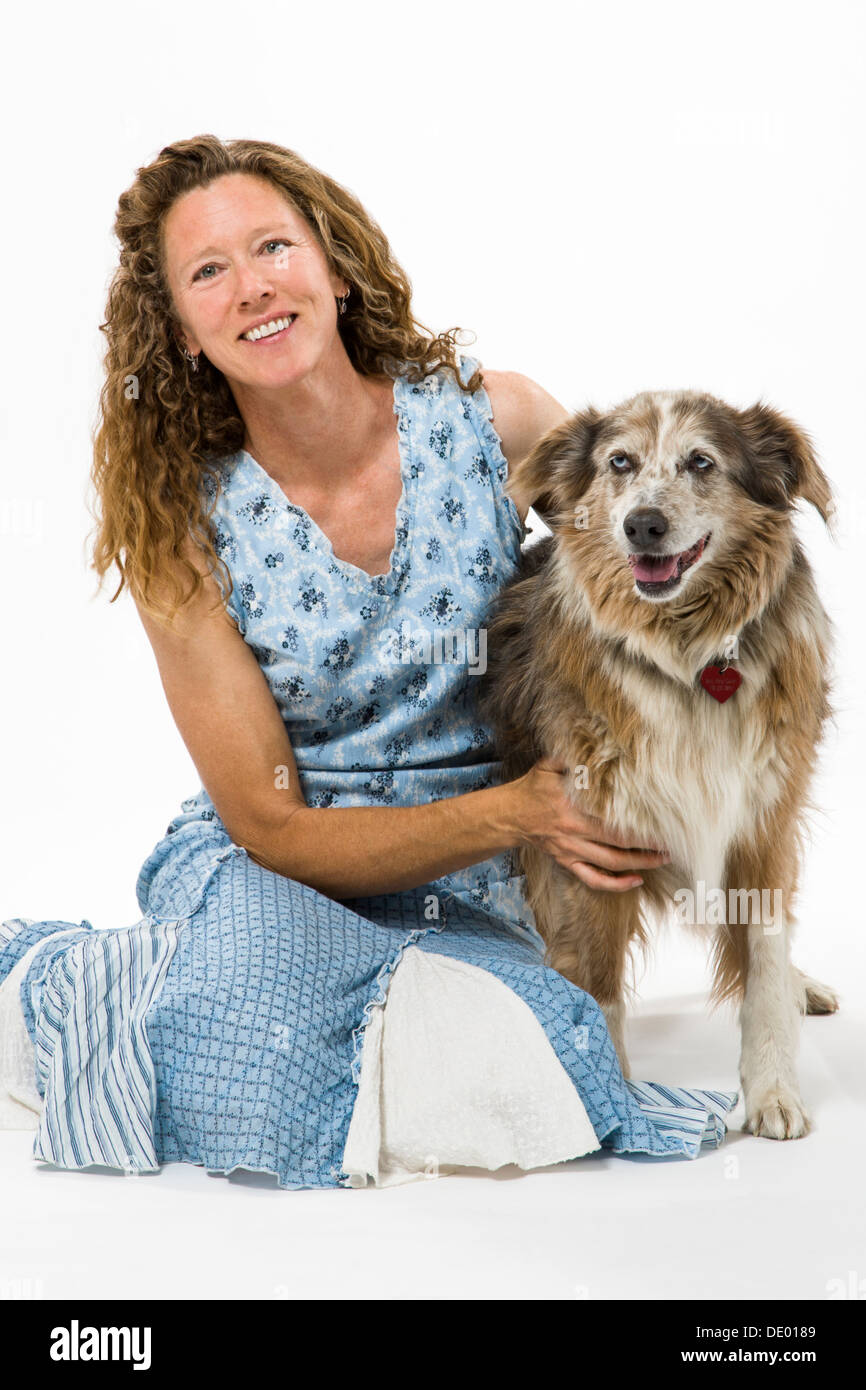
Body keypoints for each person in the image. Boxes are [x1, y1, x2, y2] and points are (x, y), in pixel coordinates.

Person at [0, 136, 738, 1188]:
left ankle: (302, 1003)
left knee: (533, 1080)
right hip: (281, 869)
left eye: (272, 248)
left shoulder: (499, 420)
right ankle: (64, 982)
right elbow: (272, 826)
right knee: (255, 1050)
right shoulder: (179, 528)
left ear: (334, 268)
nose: (252, 286)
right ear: (179, 331)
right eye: (208, 272)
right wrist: (521, 808)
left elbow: (650, 587)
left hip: (478, 883)